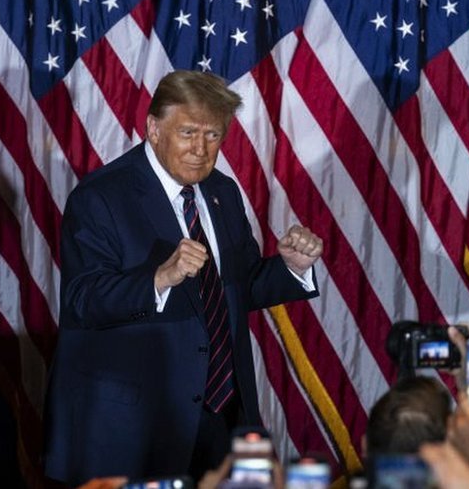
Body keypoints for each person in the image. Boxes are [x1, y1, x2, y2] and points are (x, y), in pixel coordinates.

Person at [43, 70, 324, 484]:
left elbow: (237, 288)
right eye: (188, 132)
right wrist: (159, 278)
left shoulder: (222, 191)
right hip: (134, 427)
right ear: (154, 128)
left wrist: (291, 267)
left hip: (220, 417)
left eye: (213, 135)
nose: (200, 149)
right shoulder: (100, 196)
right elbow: (82, 300)